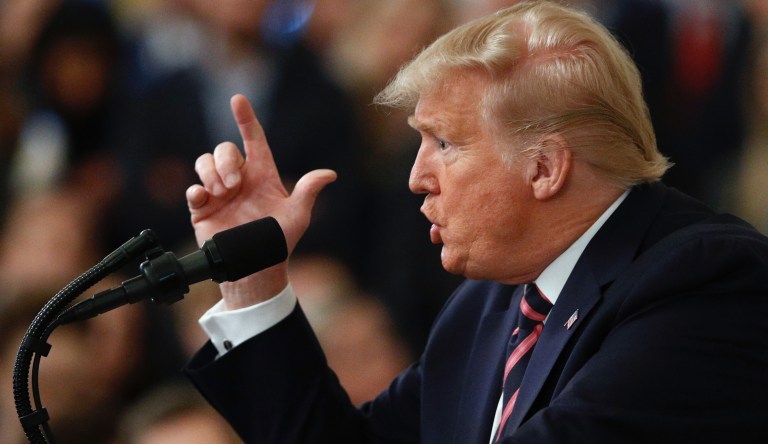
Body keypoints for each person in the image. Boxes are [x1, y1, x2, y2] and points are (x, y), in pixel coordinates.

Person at [183, 1, 768, 442]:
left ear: (544, 167)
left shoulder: (705, 279)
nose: (416, 176)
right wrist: (253, 284)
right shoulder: (485, 305)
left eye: (444, 143)